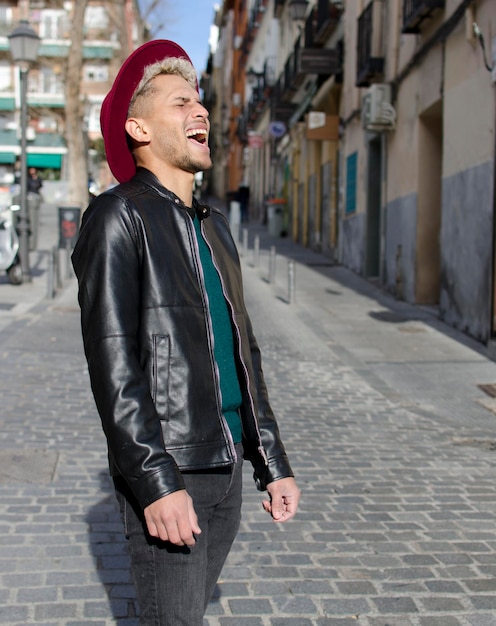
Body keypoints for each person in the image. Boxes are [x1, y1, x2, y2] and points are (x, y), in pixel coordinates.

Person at [71, 40, 300, 626]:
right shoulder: (118, 216)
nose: (199, 111)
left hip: (224, 470)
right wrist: (155, 481)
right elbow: (113, 362)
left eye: (199, 100)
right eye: (180, 103)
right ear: (139, 127)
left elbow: (244, 351)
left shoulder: (216, 227)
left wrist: (271, 460)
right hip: (172, 470)